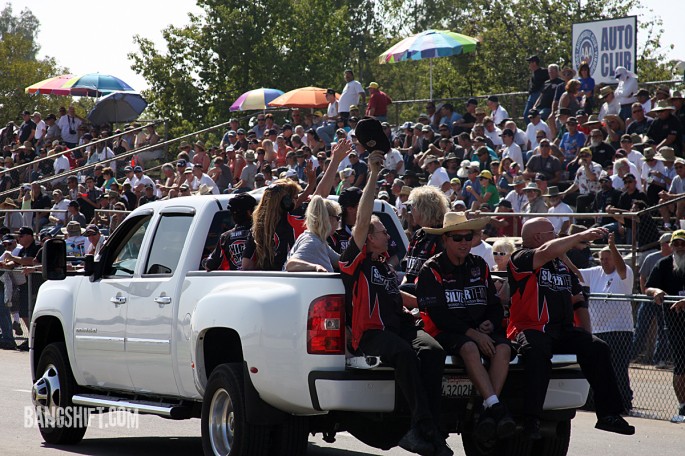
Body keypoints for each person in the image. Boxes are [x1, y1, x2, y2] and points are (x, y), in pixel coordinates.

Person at [338, 118, 450, 456]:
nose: (388, 233)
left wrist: (421, 305)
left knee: (433, 352)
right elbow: (362, 217)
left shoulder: (385, 264)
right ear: (367, 238)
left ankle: (426, 427)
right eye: (381, 230)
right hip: (369, 333)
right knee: (403, 354)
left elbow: (397, 295)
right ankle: (425, 426)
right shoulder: (354, 261)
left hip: (399, 324)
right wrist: (373, 174)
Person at [507, 218, 635, 438]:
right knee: (536, 353)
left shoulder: (561, 265)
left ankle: (608, 415)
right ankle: (531, 420)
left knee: (598, 348)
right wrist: (579, 236)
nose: (557, 235)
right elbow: (546, 252)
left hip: (562, 330)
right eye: (552, 232)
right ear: (538, 237)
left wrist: (586, 335)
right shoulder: (521, 257)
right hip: (531, 328)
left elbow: (578, 300)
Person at [416, 212, 516, 442]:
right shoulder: (431, 269)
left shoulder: (479, 264)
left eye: (468, 237)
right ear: (445, 240)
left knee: (504, 349)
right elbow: (438, 315)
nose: (464, 243)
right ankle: (495, 408)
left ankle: (486, 409)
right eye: (457, 238)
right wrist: (473, 333)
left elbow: (493, 303)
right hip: (445, 332)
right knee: (470, 347)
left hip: (480, 330)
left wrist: (490, 321)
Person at [578, 234, 635, 412]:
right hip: (598, 330)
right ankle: (597, 402)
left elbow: (620, 266)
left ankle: (623, 404)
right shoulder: (595, 272)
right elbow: (576, 273)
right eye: (601, 258)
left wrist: (613, 246)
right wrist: (563, 254)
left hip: (619, 329)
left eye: (607, 258)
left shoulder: (624, 272)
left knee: (618, 369)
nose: (604, 262)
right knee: (598, 368)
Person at [645, 229, 685, 420]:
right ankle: (683, 406)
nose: (679, 247)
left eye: (682, 243)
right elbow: (648, 287)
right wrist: (656, 291)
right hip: (675, 323)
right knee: (680, 365)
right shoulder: (663, 264)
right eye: (676, 243)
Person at [633, 233, 672, 367]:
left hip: (665, 300)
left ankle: (659, 359)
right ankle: (631, 356)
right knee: (641, 328)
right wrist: (646, 292)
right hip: (649, 298)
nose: (667, 245)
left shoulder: (677, 258)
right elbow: (643, 277)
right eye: (667, 242)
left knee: (663, 330)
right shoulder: (651, 258)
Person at [401, 186, 450, 285]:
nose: (410, 212)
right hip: (411, 290)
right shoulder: (418, 235)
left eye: (411, 207)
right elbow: (407, 272)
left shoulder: (442, 236)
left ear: (423, 209)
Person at [285, 195, 341, 272]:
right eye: (337, 218)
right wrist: (315, 267)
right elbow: (291, 264)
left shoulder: (318, 240)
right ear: (328, 219)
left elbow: (340, 262)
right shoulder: (313, 242)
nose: (338, 222)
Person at [205, 194, 257, 271]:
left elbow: (209, 265)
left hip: (232, 280)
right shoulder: (260, 233)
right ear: (250, 212)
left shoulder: (225, 237)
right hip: (259, 280)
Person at [524, 55, 549, 123]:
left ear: (534, 63)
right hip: (532, 95)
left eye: (530, 62)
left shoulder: (544, 71)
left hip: (539, 94)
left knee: (536, 114)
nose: (529, 65)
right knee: (526, 115)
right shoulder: (533, 73)